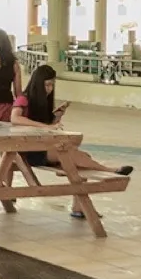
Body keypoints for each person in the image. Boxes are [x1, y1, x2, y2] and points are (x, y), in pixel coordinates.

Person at [12, 63, 132, 217]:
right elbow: (15, 118)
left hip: (44, 147)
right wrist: (44, 127)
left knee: (81, 160)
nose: (49, 89)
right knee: (71, 153)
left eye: (52, 85)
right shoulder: (24, 98)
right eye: (47, 85)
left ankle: (79, 207)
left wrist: (57, 116)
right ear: (38, 83)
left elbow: (49, 126)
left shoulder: (44, 102)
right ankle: (109, 170)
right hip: (30, 150)